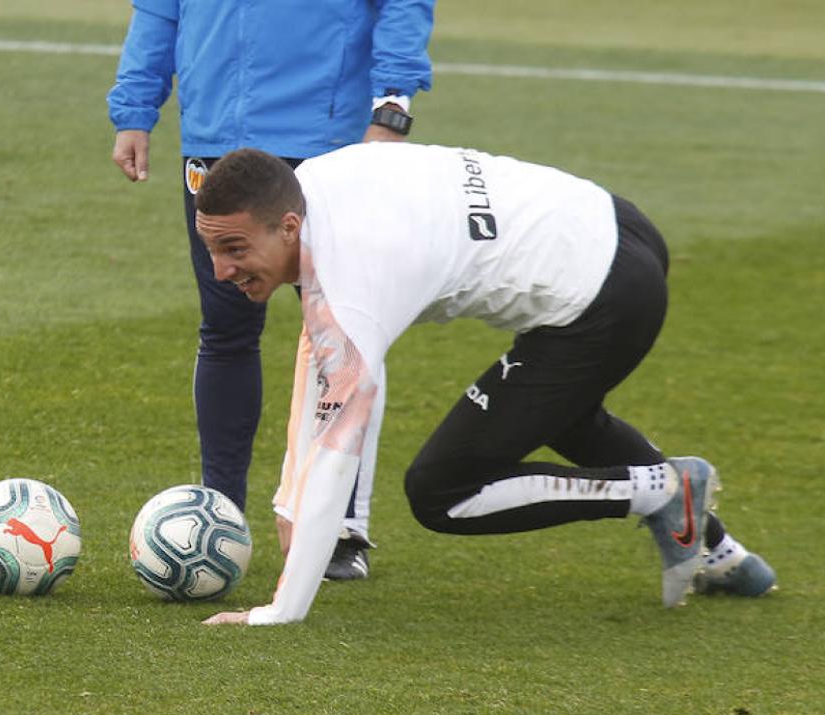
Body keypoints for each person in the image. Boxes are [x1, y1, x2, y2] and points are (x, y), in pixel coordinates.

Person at [191, 143, 777, 626]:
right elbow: (321, 357)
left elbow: (340, 437)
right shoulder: (312, 182)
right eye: (211, 248)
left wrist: (282, 610)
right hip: (616, 224)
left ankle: (662, 491)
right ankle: (724, 556)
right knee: (560, 413)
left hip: (607, 299)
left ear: (288, 227)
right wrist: (289, 503)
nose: (221, 271)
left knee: (442, 489)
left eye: (234, 248)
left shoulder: (352, 275)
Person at [107, 0, 436, 580]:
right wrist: (134, 107)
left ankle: (337, 526)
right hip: (215, 136)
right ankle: (220, 514)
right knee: (227, 328)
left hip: (325, 135)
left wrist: (392, 103)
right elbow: (160, 9)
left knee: (342, 334)